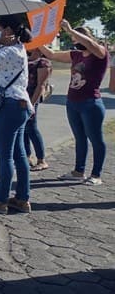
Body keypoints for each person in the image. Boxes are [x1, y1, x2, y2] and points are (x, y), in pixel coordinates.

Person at [39, 21, 109, 185]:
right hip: (72, 102)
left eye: (76, 38)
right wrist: (36, 41)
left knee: (96, 139)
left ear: (84, 37)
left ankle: (96, 175)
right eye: (72, 38)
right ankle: (78, 171)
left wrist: (70, 29)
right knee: (79, 138)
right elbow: (51, 54)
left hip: (91, 103)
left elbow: (91, 44)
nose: (74, 41)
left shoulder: (100, 54)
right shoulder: (76, 55)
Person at [0, 15, 34, 214]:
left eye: (0, 29)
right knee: (19, 154)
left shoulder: (11, 50)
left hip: (9, 105)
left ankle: (0, 200)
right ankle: (21, 198)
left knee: (5, 155)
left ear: (8, 30)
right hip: (20, 104)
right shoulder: (18, 49)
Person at [24, 47, 53, 171]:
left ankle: (41, 159)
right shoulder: (24, 59)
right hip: (22, 98)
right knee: (23, 129)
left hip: (32, 98)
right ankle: (26, 156)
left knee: (31, 128)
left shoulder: (43, 63)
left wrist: (31, 104)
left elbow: (40, 85)